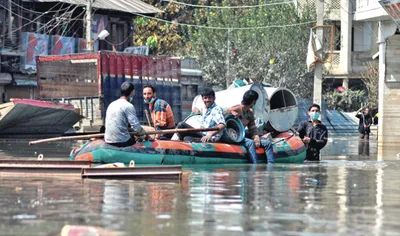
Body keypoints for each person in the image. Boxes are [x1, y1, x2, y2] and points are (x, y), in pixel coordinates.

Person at [225, 90, 275, 164]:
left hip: (242, 136)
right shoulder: (236, 109)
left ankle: (271, 165)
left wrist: (256, 138)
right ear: (253, 102)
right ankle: (254, 165)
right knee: (251, 143)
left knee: (268, 144)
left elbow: (253, 128)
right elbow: (223, 114)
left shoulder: (250, 113)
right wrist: (231, 112)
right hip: (233, 137)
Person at [104, 82, 147, 147]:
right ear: (132, 92)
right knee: (141, 142)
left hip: (108, 140)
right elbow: (136, 127)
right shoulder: (128, 106)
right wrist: (144, 134)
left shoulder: (111, 104)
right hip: (122, 141)